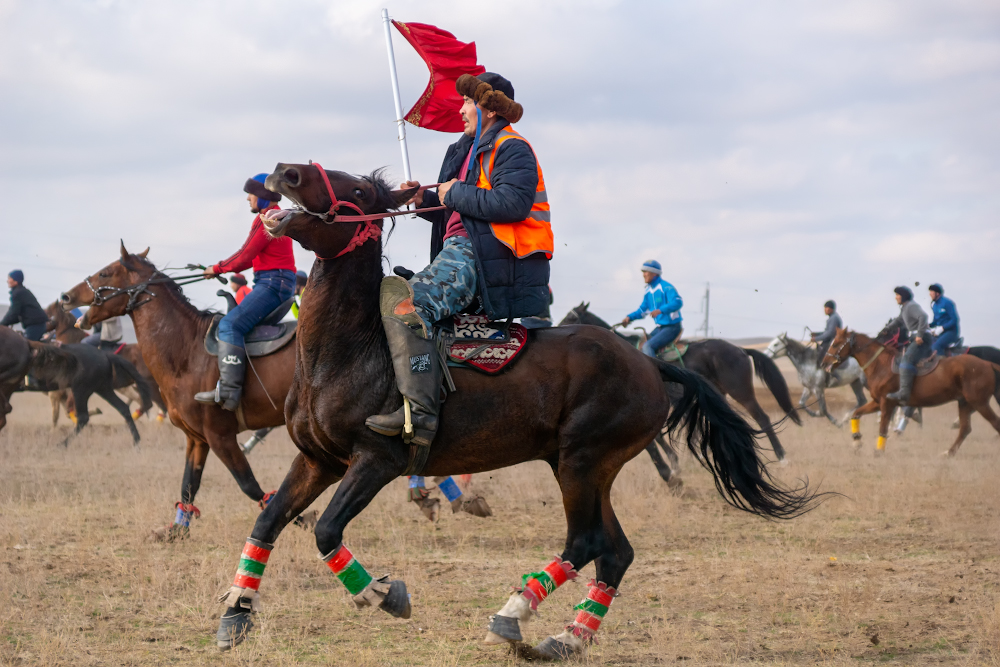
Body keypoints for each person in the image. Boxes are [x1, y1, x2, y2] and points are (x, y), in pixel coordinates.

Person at [365, 72, 552, 448]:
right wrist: (424, 202)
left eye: (467, 102)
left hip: (486, 255)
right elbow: (457, 208)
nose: (461, 108)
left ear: (489, 108)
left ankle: (419, 414)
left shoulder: (513, 148)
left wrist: (456, 193)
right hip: (462, 249)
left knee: (406, 308)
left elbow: (511, 205)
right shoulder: (465, 150)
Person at [194, 174, 296, 411]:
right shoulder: (275, 216)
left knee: (229, 325)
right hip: (276, 282)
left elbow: (244, 256)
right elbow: (249, 257)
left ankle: (229, 391)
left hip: (271, 283)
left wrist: (216, 268)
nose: (248, 198)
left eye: (251, 194)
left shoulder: (267, 219)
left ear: (263, 197)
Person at [620, 260, 683, 357]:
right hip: (660, 328)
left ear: (654, 273)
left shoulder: (666, 287)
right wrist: (629, 318)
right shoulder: (648, 291)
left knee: (647, 346)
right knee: (640, 345)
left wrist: (660, 310)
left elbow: (677, 302)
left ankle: (654, 371)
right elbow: (643, 310)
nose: (643, 275)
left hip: (672, 328)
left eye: (646, 272)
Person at [887, 286, 930, 405]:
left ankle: (904, 393)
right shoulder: (905, 308)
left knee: (906, 360)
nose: (895, 298)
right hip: (915, 338)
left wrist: (920, 335)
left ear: (903, 296)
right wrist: (887, 329)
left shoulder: (911, 306)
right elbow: (898, 321)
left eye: (897, 295)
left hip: (922, 339)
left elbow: (923, 317)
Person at [2, 270, 48, 341]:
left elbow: (13, 313)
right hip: (37, 324)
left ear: (15, 281)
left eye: (9, 278)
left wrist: (2, 325)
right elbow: (15, 316)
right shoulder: (21, 291)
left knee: (25, 347)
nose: (7, 281)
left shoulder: (18, 293)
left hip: (35, 326)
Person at [928, 283, 961, 356]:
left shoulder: (947, 303)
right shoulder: (934, 305)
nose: (930, 294)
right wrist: (927, 325)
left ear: (937, 293)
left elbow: (955, 320)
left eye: (931, 292)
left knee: (936, 347)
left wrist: (943, 328)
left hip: (951, 332)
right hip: (941, 333)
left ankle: (943, 366)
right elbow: (935, 322)